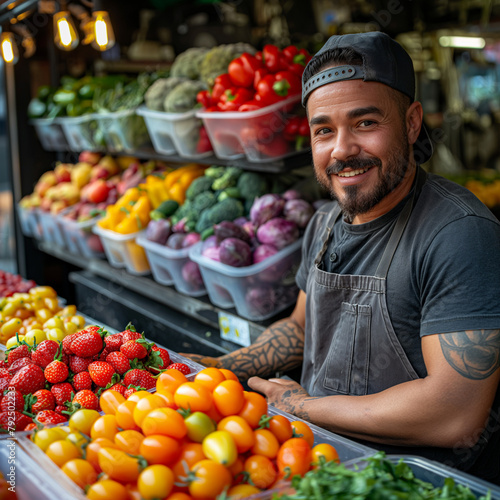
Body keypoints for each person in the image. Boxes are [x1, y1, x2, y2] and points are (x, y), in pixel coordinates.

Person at [184, 31, 500, 484]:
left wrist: (298, 406)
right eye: (324, 130)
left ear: (412, 123)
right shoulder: (325, 222)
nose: (342, 149)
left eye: (366, 123)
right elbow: (301, 326)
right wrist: (219, 368)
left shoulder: (459, 234)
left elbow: (454, 415)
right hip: (320, 465)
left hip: (411, 483)